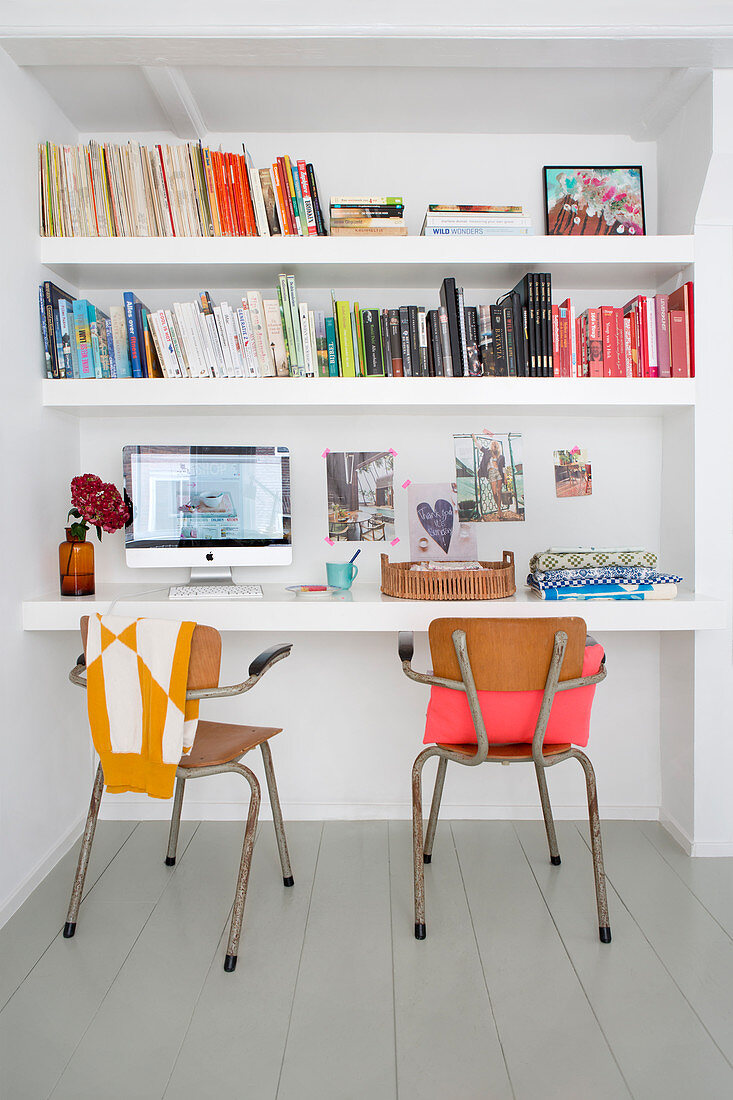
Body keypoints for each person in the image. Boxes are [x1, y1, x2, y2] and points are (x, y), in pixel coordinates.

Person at [476, 438, 506, 514]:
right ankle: (499, 506)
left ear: (498, 446)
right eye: (493, 444)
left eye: (496, 444)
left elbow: (503, 467)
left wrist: (505, 477)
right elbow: (480, 447)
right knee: (494, 492)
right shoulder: (487, 452)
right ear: (491, 445)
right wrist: (474, 438)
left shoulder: (501, 456)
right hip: (491, 472)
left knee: (499, 491)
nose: (494, 445)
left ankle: (499, 510)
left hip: (499, 473)